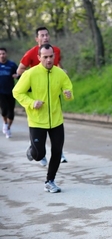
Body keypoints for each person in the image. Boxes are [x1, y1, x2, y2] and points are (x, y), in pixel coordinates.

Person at [13, 43, 74, 193]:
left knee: (57, 151)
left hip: (56, 120)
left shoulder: (60, 73)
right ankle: (32, 150)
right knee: (39, 154)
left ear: (54, 56)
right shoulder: (30, 74)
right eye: (45, 57)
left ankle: (50, 181)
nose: (48, 60)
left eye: (51, 56)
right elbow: (17, 92)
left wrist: (68, 94)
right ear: (39, 57)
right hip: (37, 121)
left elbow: (69, 91)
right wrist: (32, 103)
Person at [17, 26, 67, 165]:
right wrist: (32, 85)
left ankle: (58, 151)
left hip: (53, 90)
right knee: (41, 125)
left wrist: (62, 72)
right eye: (42, 35)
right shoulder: (30, 53)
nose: (45, 37)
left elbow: (58, 65)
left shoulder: (55, 50)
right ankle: (37, 149)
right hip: (37, 95)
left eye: (46, 34)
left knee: (55, 122)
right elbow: (20, 70)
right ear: (36, 38)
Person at [0, 47, 18, 138]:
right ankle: (5, 123)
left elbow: (19, 75)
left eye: (3, 53)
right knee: (4, 110)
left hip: (11, 91)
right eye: (0, 54)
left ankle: (8, 127)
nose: (2, 55)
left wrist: (17, 75)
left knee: (11, 112)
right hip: (1, 92)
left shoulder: (12, 65)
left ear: (6, 54)